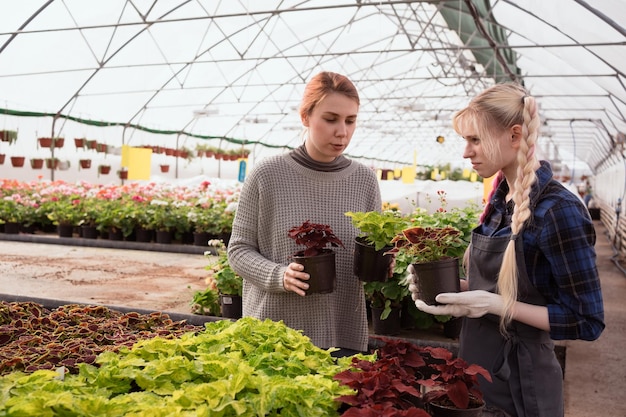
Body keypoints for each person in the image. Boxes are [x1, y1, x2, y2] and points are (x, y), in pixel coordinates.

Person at [407, 83, 605, 417]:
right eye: (464, 141)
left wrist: (499, 305)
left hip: (522, 385)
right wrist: (453, 293)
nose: (466, 152)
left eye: (475, 139)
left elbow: (586, 320)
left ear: (515, 136)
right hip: (475, 372)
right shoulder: (500, 201)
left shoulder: (557, 210)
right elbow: (499, 288)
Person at [227, 71, 382, 357]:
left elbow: (371, 252)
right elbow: (238, 250)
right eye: (331, 119)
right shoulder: (267, 175)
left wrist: (383, 262)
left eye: (351, 120)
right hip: (274, 336)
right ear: (306, 117)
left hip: (342, 334)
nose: (342, 132)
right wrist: (279, 275)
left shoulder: (364, 180)